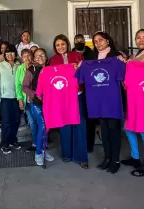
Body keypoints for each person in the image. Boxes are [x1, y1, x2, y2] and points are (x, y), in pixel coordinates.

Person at [120, 29, 144, 176]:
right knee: (128, 127)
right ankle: (135, 157)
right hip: (132, 96)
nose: (141, 40)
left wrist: (130, 64)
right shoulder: (138, 54)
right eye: (138, 38)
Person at [86, 32, 124, 174]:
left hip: (113, 100)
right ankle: (107, 157)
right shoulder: (91, 57)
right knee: (105, 131)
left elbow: (124, 74)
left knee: (114, 130)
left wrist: (123, 61)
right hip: (98, 101)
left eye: (100, 40)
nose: (98, 43)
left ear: (108, 41)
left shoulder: (116, 56)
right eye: (95, 41)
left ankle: (115, 160)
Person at [49, 34, 88, 169]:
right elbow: (51, 78)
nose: (60, 47)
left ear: (67, 44)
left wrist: (78, 69)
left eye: (63, 44)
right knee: (64, 124)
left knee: (79, 124)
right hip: (62, 97)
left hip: (77, 94)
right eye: (57, 45)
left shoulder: (77, 56)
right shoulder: (53, 60)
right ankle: (67, 154)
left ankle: (81, 157)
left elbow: (84, 75)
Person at [23, 48, 54, 165]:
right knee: (43, 125)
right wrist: (36, 95)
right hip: (36, 102)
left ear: (46, 57)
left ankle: (43, 151)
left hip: (49, 103)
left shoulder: (50, 69)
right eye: (37, 56)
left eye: (42, 55)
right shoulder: (31, 70)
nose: (39, 57)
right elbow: (24, 87)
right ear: (34, 58)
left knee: (47, 126)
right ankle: (38, 153)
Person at [0, 45, 21, 154]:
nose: (9, 55)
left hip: (17, 98)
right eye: (7, 53)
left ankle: (13, 140)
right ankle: (4, 143)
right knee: (6, 122)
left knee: (16, 120)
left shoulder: (19, 66)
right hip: (5, 98)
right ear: (4, 55)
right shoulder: (0, 66)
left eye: (12, 52)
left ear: (15, 54)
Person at [72, 34, 97, 153]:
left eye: (81, 40)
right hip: (75, 89)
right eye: (77, 40)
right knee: (77, 117)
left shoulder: (91, 53)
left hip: (90, 88)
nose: (79, 42)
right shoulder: (71, 53)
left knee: (89, 118)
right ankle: (77, 142)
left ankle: (89, 145)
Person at [15, 49, 37, 152]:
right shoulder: (20, 68)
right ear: (21, 58)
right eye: (24, 56)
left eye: (28, 55)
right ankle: (35, 143)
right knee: (32, 121)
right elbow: (18, 86)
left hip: (37, 99)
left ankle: (42, 142)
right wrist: (20, 99)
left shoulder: (36, 67)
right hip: (26, 100)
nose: (27, 58)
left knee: (40, 121)